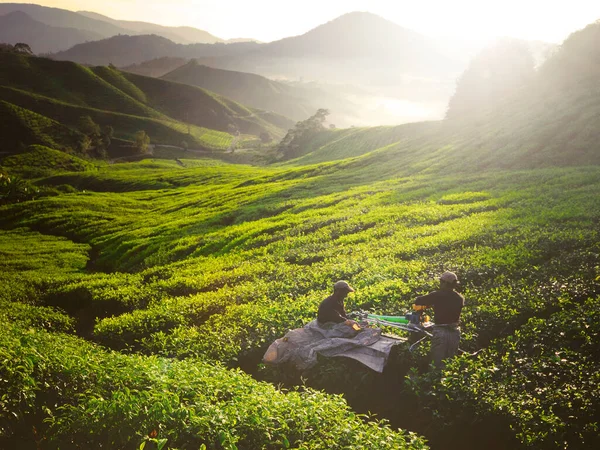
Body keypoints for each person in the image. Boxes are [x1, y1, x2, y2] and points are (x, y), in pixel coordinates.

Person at [413, 271, 464, 369]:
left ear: (445, 283)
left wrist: (428, 304)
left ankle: (434, 381)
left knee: (436, 365)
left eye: (441, 281)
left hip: (441, 333)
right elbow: (448, 308)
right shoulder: (460, 298)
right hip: (455, 333)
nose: (440, 283)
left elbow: (418, 300)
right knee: (450, 364)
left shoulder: (437, 295)